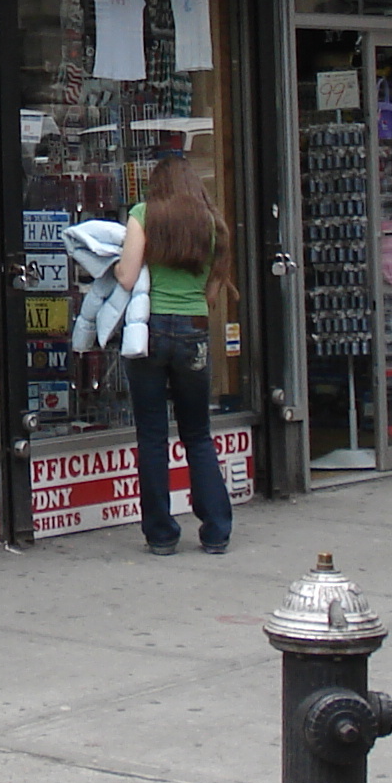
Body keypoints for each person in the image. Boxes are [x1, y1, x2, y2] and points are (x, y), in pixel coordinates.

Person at [111, 152, 237, 556]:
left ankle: (161, 533)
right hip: (194, 332)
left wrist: (114, 265)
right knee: (198, 433)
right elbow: (212, 293)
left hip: (148, 331)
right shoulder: (211, 223)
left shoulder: (143, 214)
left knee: (151, 436)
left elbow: (127, 276)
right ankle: (216, 528)